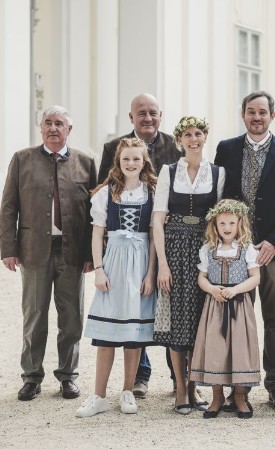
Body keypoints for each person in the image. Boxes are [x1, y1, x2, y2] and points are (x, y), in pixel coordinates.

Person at [0, 105, 97, 401]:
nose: (53, 128)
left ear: (70, 129)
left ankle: (68, 376)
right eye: (48, 123)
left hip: (72, 252)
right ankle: (31, 377)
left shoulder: (86, 162)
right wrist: (8, 249)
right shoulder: (22, 159)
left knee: (72, 318)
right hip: (33, 250)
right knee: (34, 316)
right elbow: (8, 206)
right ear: (40, 128)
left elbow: (96, 213)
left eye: (59, 123)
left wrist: (93, 252)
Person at [214, 91, 275, 411]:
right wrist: (232, 240)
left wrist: (274, 241)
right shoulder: (226, 149)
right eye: (251, 112)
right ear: (243, 114)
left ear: (272, 116)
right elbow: (221, 198)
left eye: (262, 112)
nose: (256, 117)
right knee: (236, 318)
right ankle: (236, 386)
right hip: (236, 249)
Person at [98, 93, 182, 399]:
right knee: (136, 305)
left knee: (171, 305)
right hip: (129, 246)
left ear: (161, 115)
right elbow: (103, 201)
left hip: (171, 239)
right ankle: (140, 375)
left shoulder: (176, 145)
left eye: (153, 113)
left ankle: (178, 375)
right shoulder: (113, 148)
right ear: (131, 117)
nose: (148, 118)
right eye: (141, 113)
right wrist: (96, 257)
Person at [75, 137, 157, 417]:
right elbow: (98, 234)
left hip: (141, 261)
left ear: (144, 161)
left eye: (136, 158)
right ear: (118, 163)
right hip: (114, 263)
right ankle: (98, 395)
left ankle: (126, 391)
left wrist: (151, 273)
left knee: (133, 333)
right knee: (106, 334)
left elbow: (155, 238)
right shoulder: (105, 193)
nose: (131, 163)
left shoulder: (153, 193)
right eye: (126, 159)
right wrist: (99, 270)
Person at [152, 116, 225, 415]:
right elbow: (157, 219)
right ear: (179, 140)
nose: (193, 139)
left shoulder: (218, 173)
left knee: (199, 321)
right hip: (175, 249)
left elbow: (221, 218)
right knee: (176, 323)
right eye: (187, 135)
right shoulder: (169, 172)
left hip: (204, 250)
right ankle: (180, 390)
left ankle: (194, 387)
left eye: (198, 134)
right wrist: (163, 266)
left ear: (205, 136)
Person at [190, 199, 261, 419]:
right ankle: (217, 396)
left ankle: (239, 396)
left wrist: (236, 290)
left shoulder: (247, 249)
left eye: (232, 223)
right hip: (215, 306)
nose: (227, 228)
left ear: (240, 223)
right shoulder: (208, 249)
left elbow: (256, 278)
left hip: (239, 307)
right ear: (215, 225)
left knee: (239, 348)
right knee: (215, 348)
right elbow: (201, 277)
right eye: (222, 223)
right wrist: (212, 289)